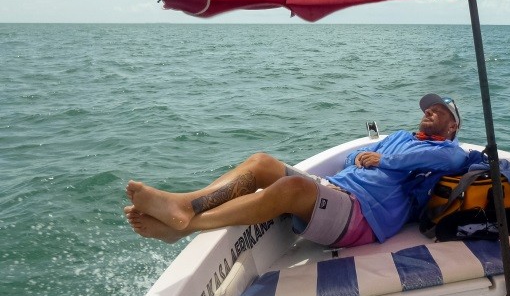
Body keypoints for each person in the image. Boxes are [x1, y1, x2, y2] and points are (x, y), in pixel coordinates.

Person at [125, 93, 467, 247]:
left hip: (363, 216)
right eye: (429, 108)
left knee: (292, 190)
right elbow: (356, 157)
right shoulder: (402, 137)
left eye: (440, 112)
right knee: (261, 163)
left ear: (453, 127)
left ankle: (186, 226)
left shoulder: (448, 152)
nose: (430, 112)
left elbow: (439, 163)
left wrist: (382, 161)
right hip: (336, 190)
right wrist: (364, 157)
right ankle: (186, 205)